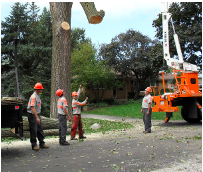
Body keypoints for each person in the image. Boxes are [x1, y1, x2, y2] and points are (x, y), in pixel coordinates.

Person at [27, 83, 49, 150]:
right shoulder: (33, 96)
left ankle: (42, 143)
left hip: (36, 114)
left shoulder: (38, 95)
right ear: (38, 89)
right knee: (34, 130)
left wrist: (37, 116)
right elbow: (32, 107)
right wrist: (37, 117)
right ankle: (34, 145)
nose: (41, 90)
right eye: (41, 89)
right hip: (32, 115)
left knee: (40, 129)